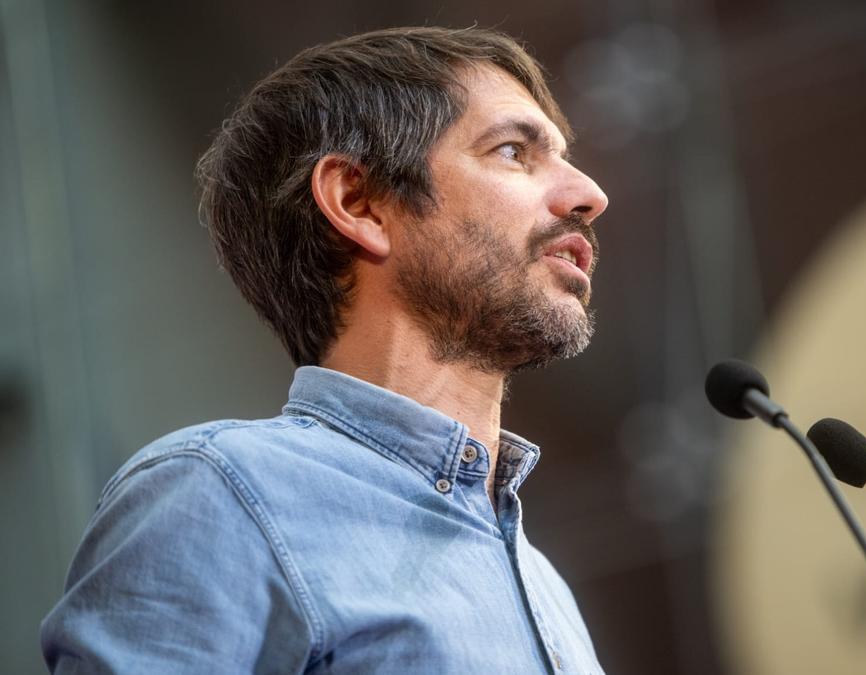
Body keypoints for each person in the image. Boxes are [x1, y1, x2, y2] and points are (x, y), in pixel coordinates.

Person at [40, 26, 609, 674]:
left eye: (564, 157)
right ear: (357, 202)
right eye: (513, 151)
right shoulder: (220, 493)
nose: (589, 193)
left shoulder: (544, 583)